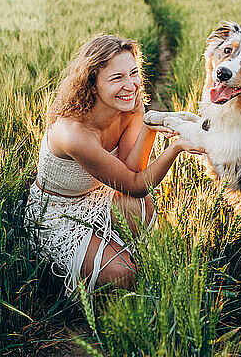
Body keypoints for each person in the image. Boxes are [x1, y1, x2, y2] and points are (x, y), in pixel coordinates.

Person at [24, 35, 204, 296]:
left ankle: (111, 249)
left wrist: (150, 125)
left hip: (96, 198)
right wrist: (176, 146)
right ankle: (56, 263)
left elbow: (132, 169)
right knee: (123, 275)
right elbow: (136, 185)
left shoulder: (131, 107)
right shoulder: (73, 133)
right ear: (93, 84)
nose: (130, 85)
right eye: (117, 78)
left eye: (133, 73)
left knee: (142, 209)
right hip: (55, 215)